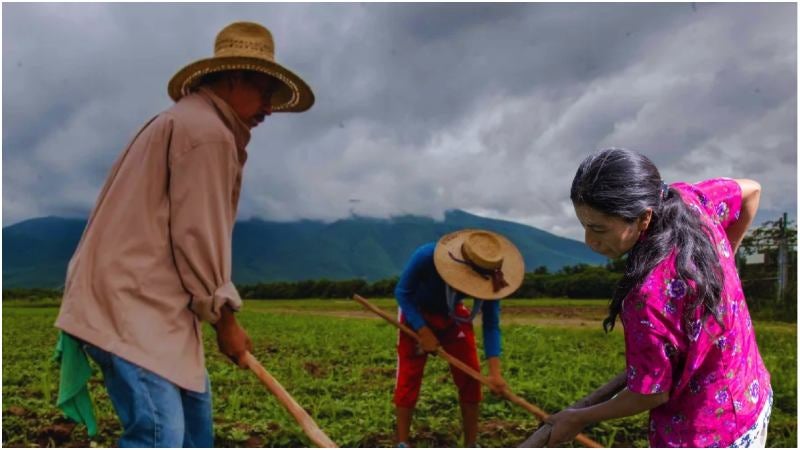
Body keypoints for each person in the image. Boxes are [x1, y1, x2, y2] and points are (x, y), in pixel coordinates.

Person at [53, 21, 314, 447]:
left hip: (156, 308)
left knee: (195, 431)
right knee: (161, 436)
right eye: (266, 92)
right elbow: (197, 235)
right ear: (233, 77)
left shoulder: (189, 122)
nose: (269, 107)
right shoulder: (207, 134)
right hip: (134, 305)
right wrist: (225, 318)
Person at [546, 148, 771, 448]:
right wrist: (723, 259)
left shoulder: (646, 296)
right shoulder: (687, 200)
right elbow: (751, 191)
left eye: (599, 228)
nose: (589, 241)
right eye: (584, 225)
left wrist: (578, 418)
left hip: (706, 436)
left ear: (644, 217)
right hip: (751, 400)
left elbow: (651, 393)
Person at [393, 229, 525, 447]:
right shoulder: (426, 256)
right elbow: (402, 293)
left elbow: (491, 324)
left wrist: (495, 373)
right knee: (409, 376)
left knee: (471, 376)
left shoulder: (492, 277)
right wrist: (423, 331)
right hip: (416, 312)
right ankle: (402, 442)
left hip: (453, 314)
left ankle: (470, 444)